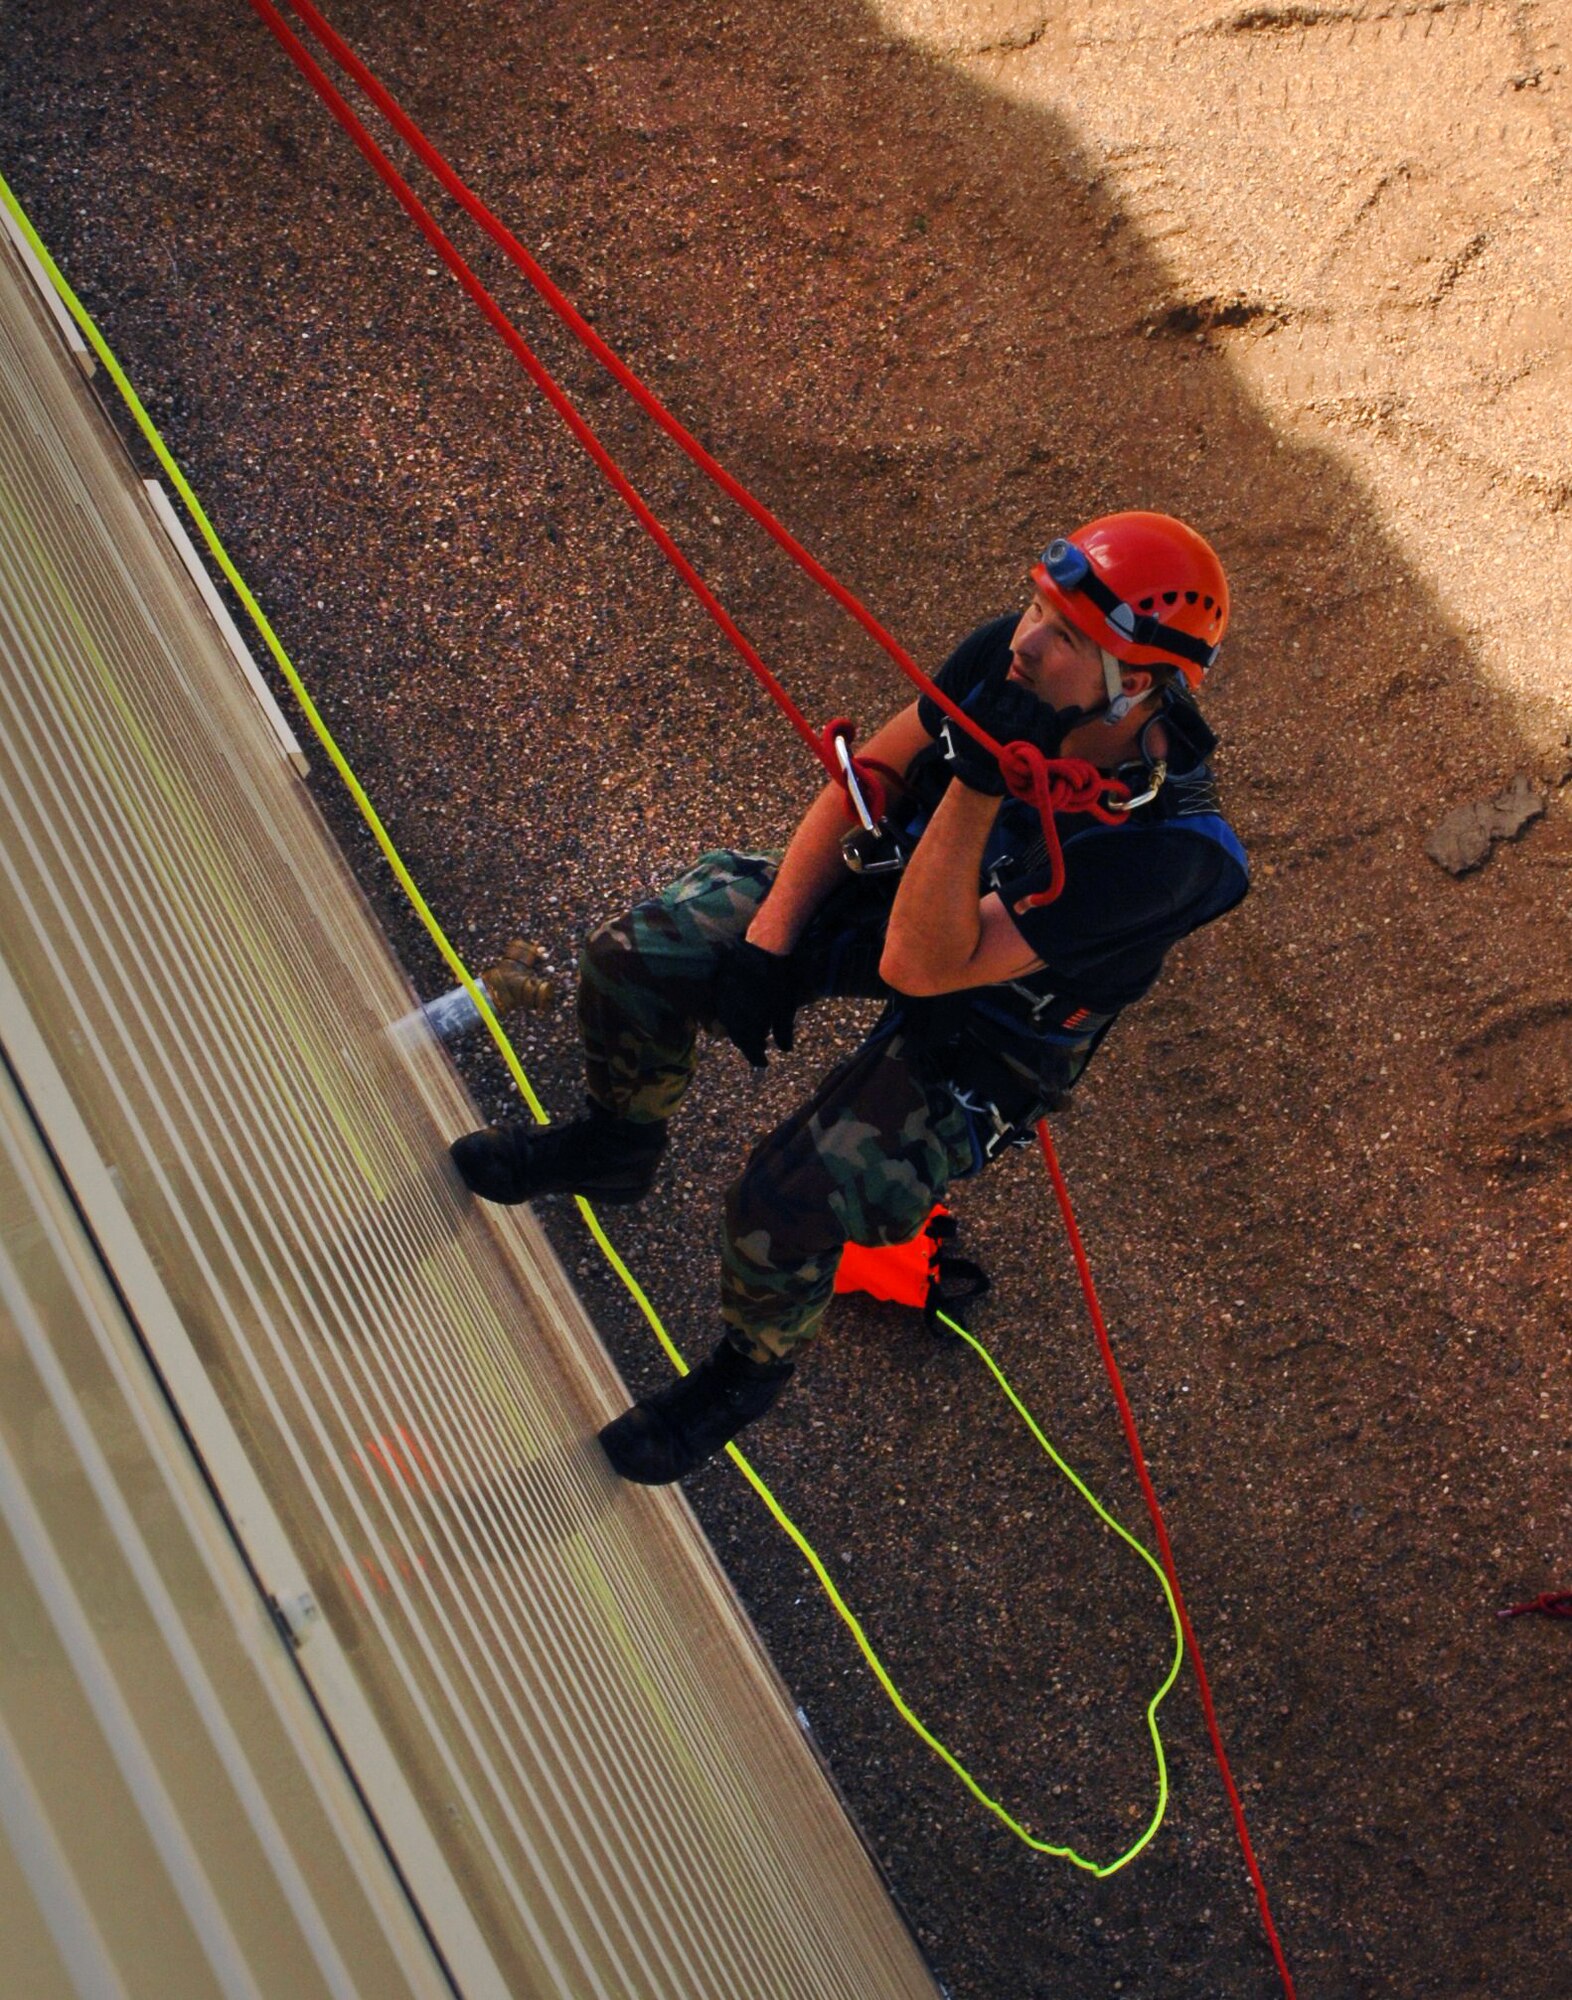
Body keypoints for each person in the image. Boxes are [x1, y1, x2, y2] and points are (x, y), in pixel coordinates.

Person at [451, 511, 1249, 1483]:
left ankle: (747, 1372)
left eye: (1069, 636)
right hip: (907, 883)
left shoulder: (1173, 855)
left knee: (788, 1199)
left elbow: (928, 963)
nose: (1027, 641)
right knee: (638, 958)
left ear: (1141, 681)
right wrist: (771, 938)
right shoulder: (1010, 660)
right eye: (1038, 608)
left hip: (1002, 1013)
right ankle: (616, 1141)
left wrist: (983, 781)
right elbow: (873, 771)